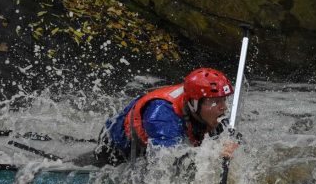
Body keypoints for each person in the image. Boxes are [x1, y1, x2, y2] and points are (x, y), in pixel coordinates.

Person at [95, 68, 237, 165]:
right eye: (215, 102)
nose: (223, 107)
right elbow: (170, 162)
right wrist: (215, 154)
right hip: (116, 147)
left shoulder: (201, 107)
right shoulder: (161, 116)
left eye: (223, 99)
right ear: (194, 103)